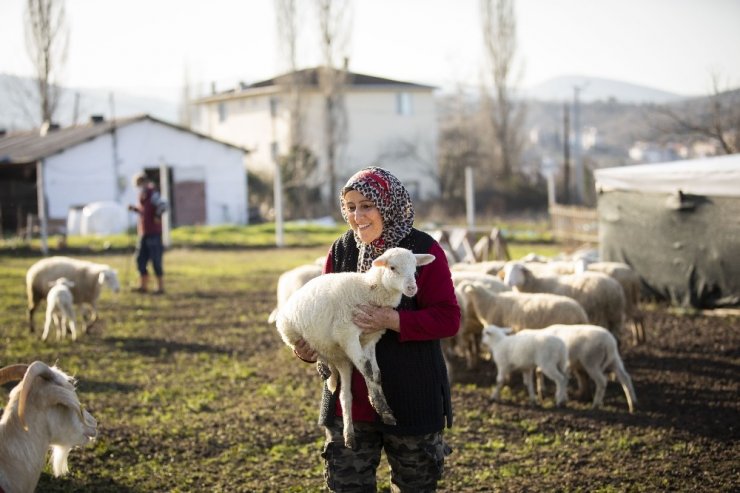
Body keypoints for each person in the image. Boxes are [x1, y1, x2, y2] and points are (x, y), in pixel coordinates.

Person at [292, 166, 460, 492]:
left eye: (367, 205)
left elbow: (449, 318)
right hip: (351, 405)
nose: (357, 216)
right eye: (350, 207)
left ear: (388, 204)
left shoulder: (421, 251)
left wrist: (393, 320)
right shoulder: (341, 251)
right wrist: (307, 347)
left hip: (411, 399)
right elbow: (319, 313)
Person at [128, 172, 166, 294]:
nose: (139, 187)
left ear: (144, 182)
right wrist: (135, 209)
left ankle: (160, 287)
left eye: (139, 184)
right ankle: (143, 285)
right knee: (140, 259)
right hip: (143, 232)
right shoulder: (142, 195)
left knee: (156, 260)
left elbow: (163, 205)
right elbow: (143, 211)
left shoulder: (152, 193)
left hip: (154, 232)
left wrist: (157, 216)